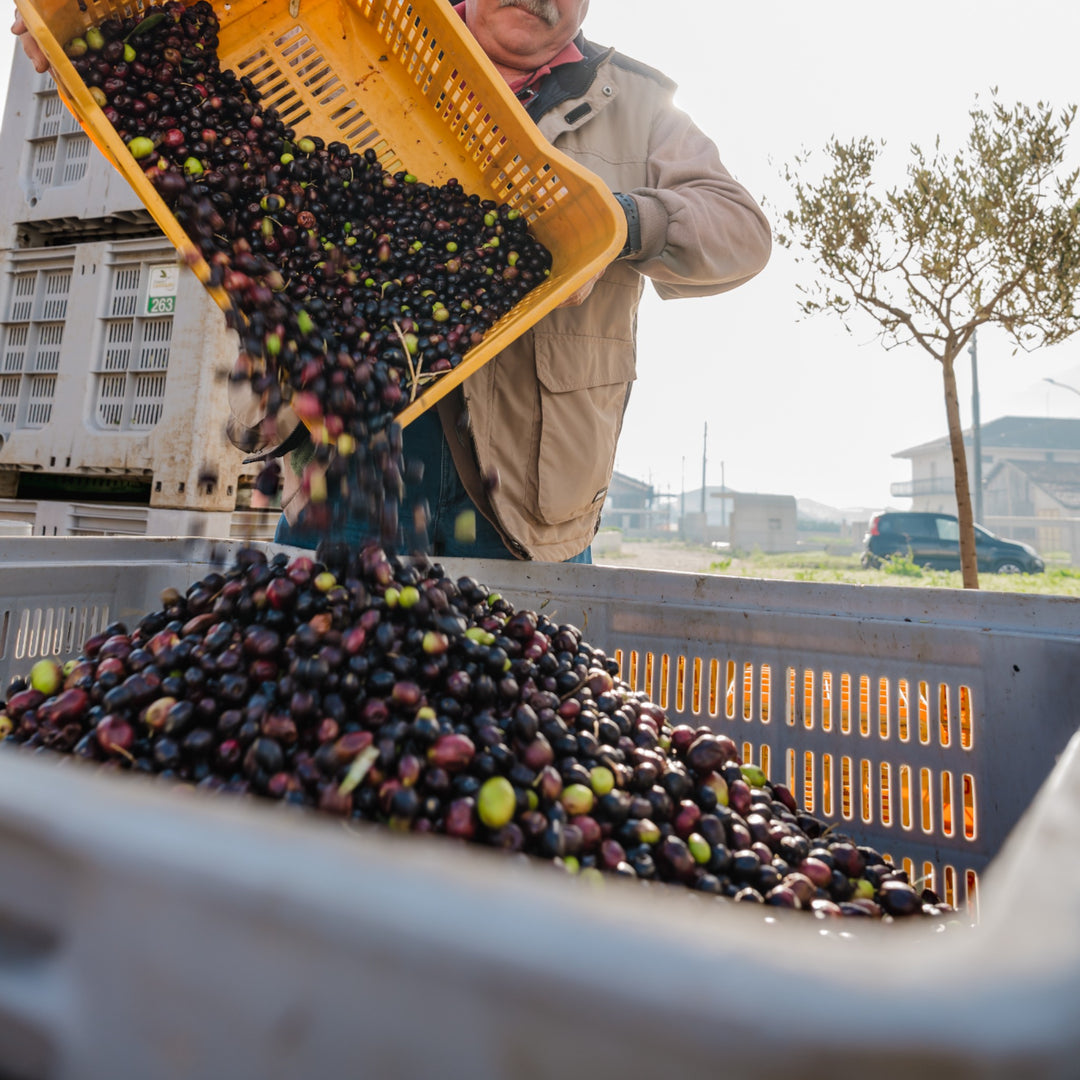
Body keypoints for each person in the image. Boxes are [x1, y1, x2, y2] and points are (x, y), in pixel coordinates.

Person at [12, 0, 771, 562]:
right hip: (341, 463)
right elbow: (215, 142)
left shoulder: (636, 103)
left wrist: (625, 224)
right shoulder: (366, 35)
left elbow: (740, 229)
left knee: (501, 718)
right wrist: (80, 52)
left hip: (523, 503)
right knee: (314, 697)